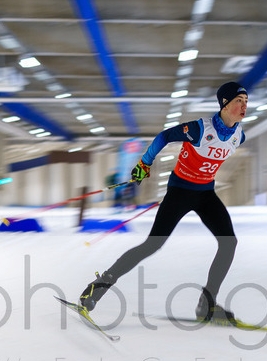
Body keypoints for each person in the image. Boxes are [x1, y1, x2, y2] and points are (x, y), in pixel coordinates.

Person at [78, 81, 248, 323]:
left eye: (246, 102)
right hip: (179, 191)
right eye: (238, 101)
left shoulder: (238, 136)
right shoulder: (200, 128)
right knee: (152, 245)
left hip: (205, 195)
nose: (243, 106)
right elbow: (165, 136)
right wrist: (144, 163)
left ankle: (207, 305)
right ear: (224, 104)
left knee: (229, 242)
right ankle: (97, 288)